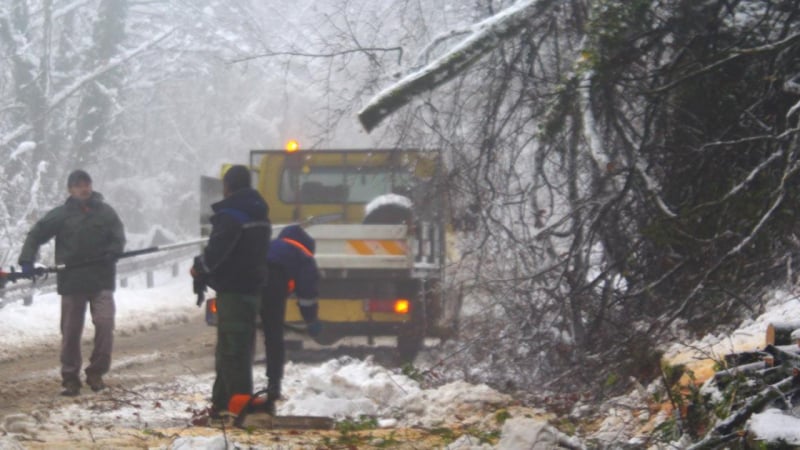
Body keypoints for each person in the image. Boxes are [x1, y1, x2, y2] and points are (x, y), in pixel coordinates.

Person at [18, 169, 125, 396]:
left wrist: (113, 252)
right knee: (70, 331)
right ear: (70, 189)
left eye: (86, 184)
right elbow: (36, 234)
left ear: (91, 186)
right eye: (78, 185)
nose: (83, 188)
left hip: (101, 279)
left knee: (105, 324)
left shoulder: (105, 213)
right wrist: (27, 259)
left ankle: (96, 373)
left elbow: (118, 237)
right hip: (72, 281)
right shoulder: (61, 214)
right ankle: (70, 378)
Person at [191, 165, 271, 417]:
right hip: (251, 288)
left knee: (233, 347)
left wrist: (200, 268)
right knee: (232, 345)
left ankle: (239, 402)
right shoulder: (258, 213)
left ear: (227, 186)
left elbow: (217, 252)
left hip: (233, 290)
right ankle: (222, 401)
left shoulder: (232, 215)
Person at [261, 224, 323, 413]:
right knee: (273, 337)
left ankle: (238, 389)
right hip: (273, 283)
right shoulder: (304, 256)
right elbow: (306, 295)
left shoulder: (272, 245)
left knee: (245, 335)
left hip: (249, 281)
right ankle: (273, 386)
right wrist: (311, 320)